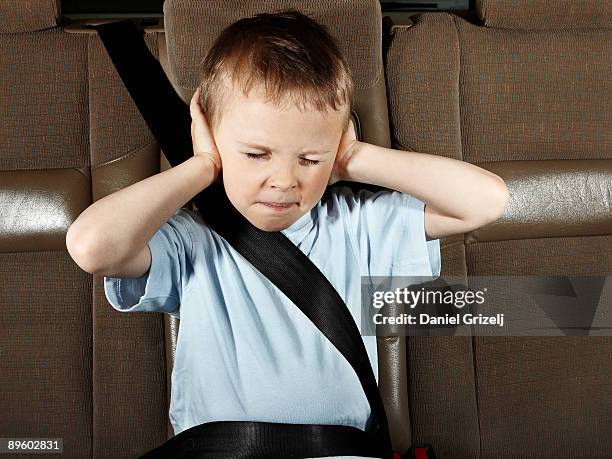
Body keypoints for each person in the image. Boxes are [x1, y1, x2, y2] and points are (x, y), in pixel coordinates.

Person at [66, 9, 509, 457]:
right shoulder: (192, 241)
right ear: (213, 140)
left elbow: (486, 201)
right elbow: (92, 247)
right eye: (257, 154)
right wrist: (201, 167)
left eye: (310, 159)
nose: (284, 180)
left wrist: (354, 156)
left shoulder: (359, 227)